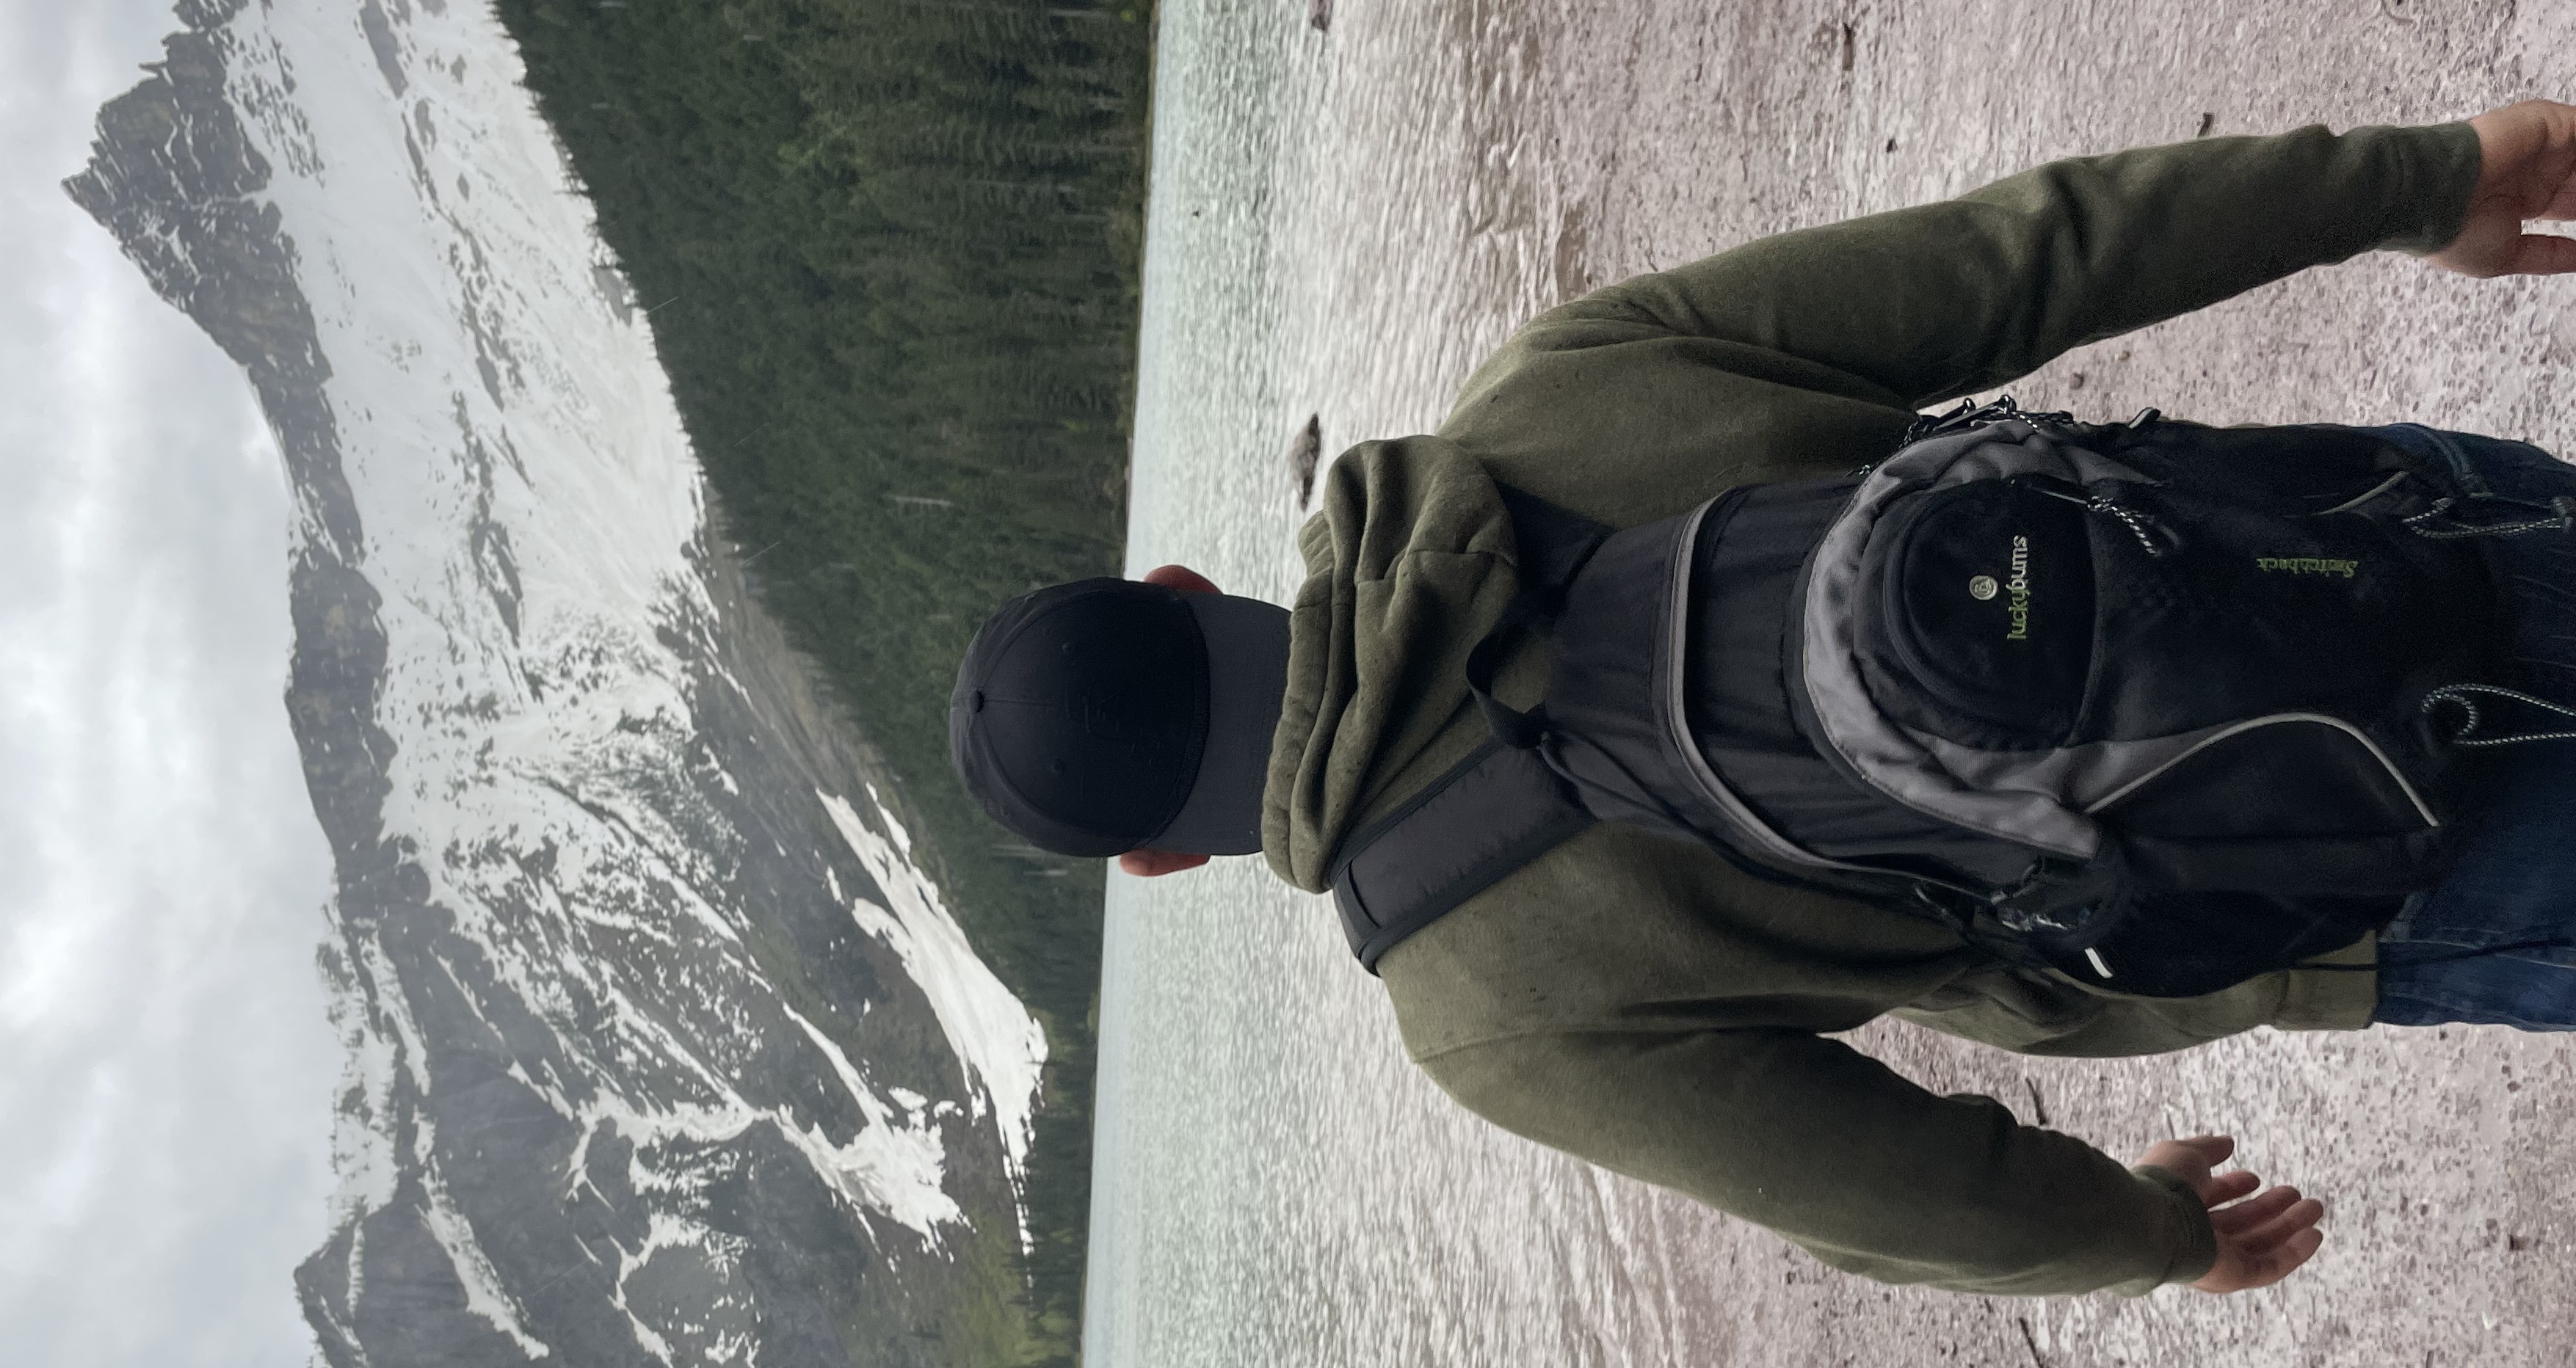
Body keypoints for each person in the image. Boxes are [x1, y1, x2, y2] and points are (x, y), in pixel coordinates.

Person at [949, 104, 2576, 1300]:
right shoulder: (1556, 387)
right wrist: (2425, 181)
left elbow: (1899, 1191)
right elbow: (2033, 254)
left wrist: (2155, 1236)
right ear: (1179, 590)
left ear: (1157, 864)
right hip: (2369, 538)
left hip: (2341, 877)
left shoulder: (1483, 1008)